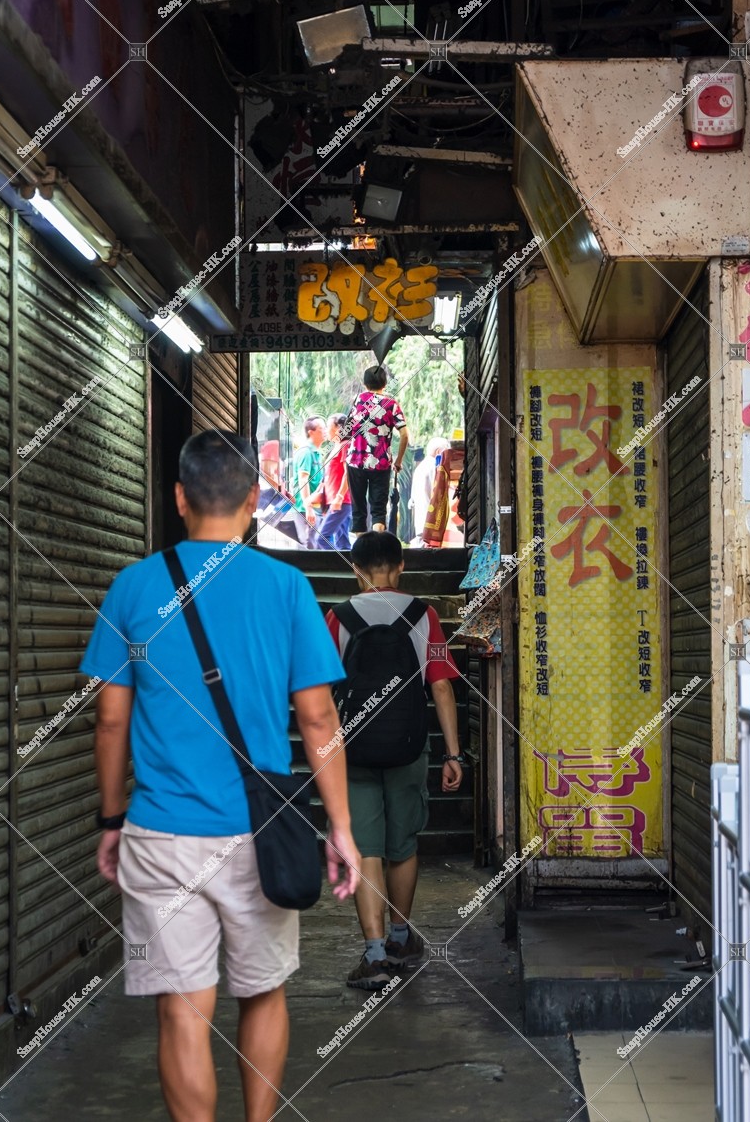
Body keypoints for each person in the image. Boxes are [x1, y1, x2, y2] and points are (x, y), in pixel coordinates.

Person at [82, 430, 360, 1122]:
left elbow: (110, 723)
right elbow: (319, 719)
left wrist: (111, 820)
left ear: (179, 498)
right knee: (263, 991)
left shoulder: (133, 587)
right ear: (255, 498)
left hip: (160, 833)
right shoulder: (286, 587)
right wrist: (342, 830)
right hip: (258, 834)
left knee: (182, 1009)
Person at [324, 531, 463, 989]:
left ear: (356, 570)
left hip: (355, 746)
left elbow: (321, 689)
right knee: (402, 843)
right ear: (401, 565)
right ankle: (402, 937)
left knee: (367, 849)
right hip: (408, 744)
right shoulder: (426, 615)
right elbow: (441, 685)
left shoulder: (338, 618)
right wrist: (453, 753)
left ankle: (376, 955)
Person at [347, 365, 408, 534]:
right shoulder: (391, 404)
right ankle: (376, 555)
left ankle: (360, 557)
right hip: (381, 464)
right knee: (378, 512)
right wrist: (398, 461)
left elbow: (347, 430)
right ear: (385, 383)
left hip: (355, 462)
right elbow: (404, 435)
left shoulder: (358, 401)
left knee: (358, 512)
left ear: (365, 383)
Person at [316, 412, 352, 550]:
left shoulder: (345, 445)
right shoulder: (336, 447)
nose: (326, 430)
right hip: (335, 502)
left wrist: (339, 497)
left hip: (341, 501)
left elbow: (348, 473)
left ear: (338, 428)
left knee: (321, 538)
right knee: (342, 542)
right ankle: (346, 568)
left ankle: (334, 567)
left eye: (329, 426)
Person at [291, 415, 326, 549]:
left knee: (315, 544)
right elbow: (303, 479)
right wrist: (308, 507)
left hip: (315, 507)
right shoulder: (306, 452)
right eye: (321, 428)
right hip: (304, 509)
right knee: (308, 545)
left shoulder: (317, 453)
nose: (325, 431)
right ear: (311, 432)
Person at [409, 437, 451, 541]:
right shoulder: (434, 467)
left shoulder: (421, 467)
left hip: (421, 522)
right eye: (446, 451)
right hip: (430, 522)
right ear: (438, 451)